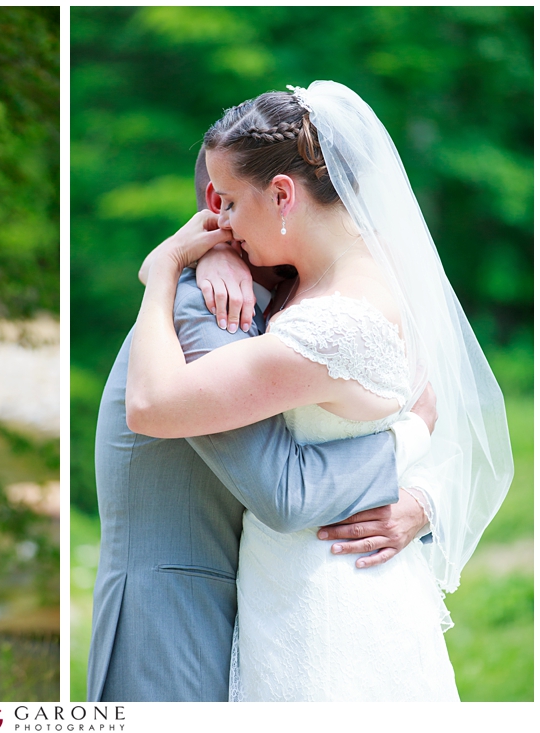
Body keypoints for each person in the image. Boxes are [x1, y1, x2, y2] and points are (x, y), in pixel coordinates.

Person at [125, 82, 513, 701]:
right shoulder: (363, 270)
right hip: (319, 581)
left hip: (326, 602)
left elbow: (150, 405)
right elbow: (430, 411)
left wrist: (165, 270)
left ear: (283, 194)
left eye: (226, 202)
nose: (216, 219)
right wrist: (217, 257)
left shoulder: (330, 329)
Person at [88, 146, 436, 702]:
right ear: (217, 207)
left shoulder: (316, 307)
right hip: (175, 615)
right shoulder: (209, 310)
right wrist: (412, 434)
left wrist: (421, 504)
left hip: (276, 597)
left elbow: (444, 415)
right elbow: (284, 490)